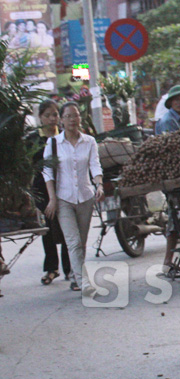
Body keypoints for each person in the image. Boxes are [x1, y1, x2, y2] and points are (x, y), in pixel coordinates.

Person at [43, 102, 104, 297]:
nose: (72, 119)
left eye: (75, 115)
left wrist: (99, 184)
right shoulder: (53, 144)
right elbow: (48, 173)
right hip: (63, 199)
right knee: (73, 241)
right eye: (68, 116)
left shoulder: (89, 142)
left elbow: (95, 165)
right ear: (61, 120)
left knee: (82, 242)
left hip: (85, 197)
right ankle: (83, 282)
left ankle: (77, 275)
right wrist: (52, 199)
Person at [154, 85, 180, 277]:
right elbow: (172, 151)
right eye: (178, 99)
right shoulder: (167, 121)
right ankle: (167, 262)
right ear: (171, 102)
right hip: (174, 177)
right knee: (175, 217)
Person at [29, 100, 71, 285]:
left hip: (64, 187)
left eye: (55, 115)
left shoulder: (65, 137)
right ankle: (52, 268)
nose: (52, 119)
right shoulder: (33, 139)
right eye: (48, 115)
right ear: (40, 118)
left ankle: (70, 269)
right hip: (41, 190)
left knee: (67, 228)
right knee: (47, 229)